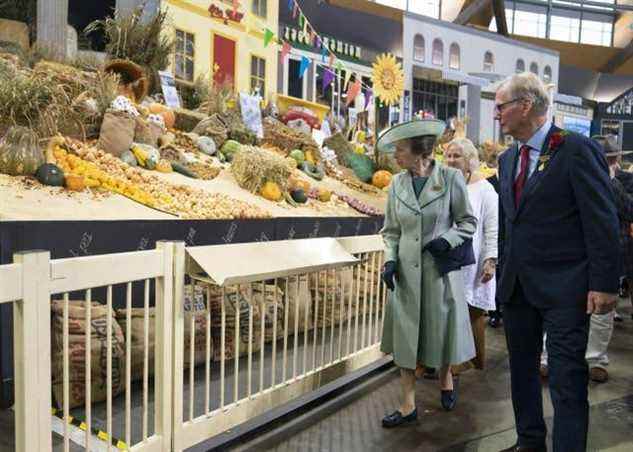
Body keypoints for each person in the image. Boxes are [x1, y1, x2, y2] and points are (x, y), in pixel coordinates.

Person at [495, 73, 619, 452]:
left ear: (526, 105)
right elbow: (509, 223)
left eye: (501, 106)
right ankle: (529, 441)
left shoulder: (576, 149)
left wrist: (605, 282)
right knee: (522, 373)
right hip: (518, 286)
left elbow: (601, 219)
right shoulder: (508, 158)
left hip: (566, 288)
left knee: (566, 379)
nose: (497, 114)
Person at [377, 119, 477, 427]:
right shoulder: (396, 184)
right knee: (406, 338)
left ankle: (446, 377)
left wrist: (446, 241)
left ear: (420, 151)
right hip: (406, 275)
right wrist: (390, 259)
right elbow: (391, 231)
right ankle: (408, 405)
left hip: (439, 273)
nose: (396, 156)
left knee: (442, 330)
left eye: (401, 150)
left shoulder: (449, 179)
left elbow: (467, 222)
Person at [540, 135, 633, 383]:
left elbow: (628, 211)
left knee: (602, 312)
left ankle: (596, 359)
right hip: (572, 256)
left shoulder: (624, 181)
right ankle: (547, 357)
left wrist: (609, 182)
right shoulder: (568, 175)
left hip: (609, 257)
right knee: (560, 309)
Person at [444, 138, 498, 372]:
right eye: (448, 155)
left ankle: (466, 361)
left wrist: (490, 260)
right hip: (447, 257)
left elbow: (492, 227)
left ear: (470, 161)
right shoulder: (442, 183)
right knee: (447, 311)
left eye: (457, 156)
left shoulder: (485, 189)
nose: (451, 160)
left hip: (473, 261)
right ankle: (447, 362)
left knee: (470, 311)